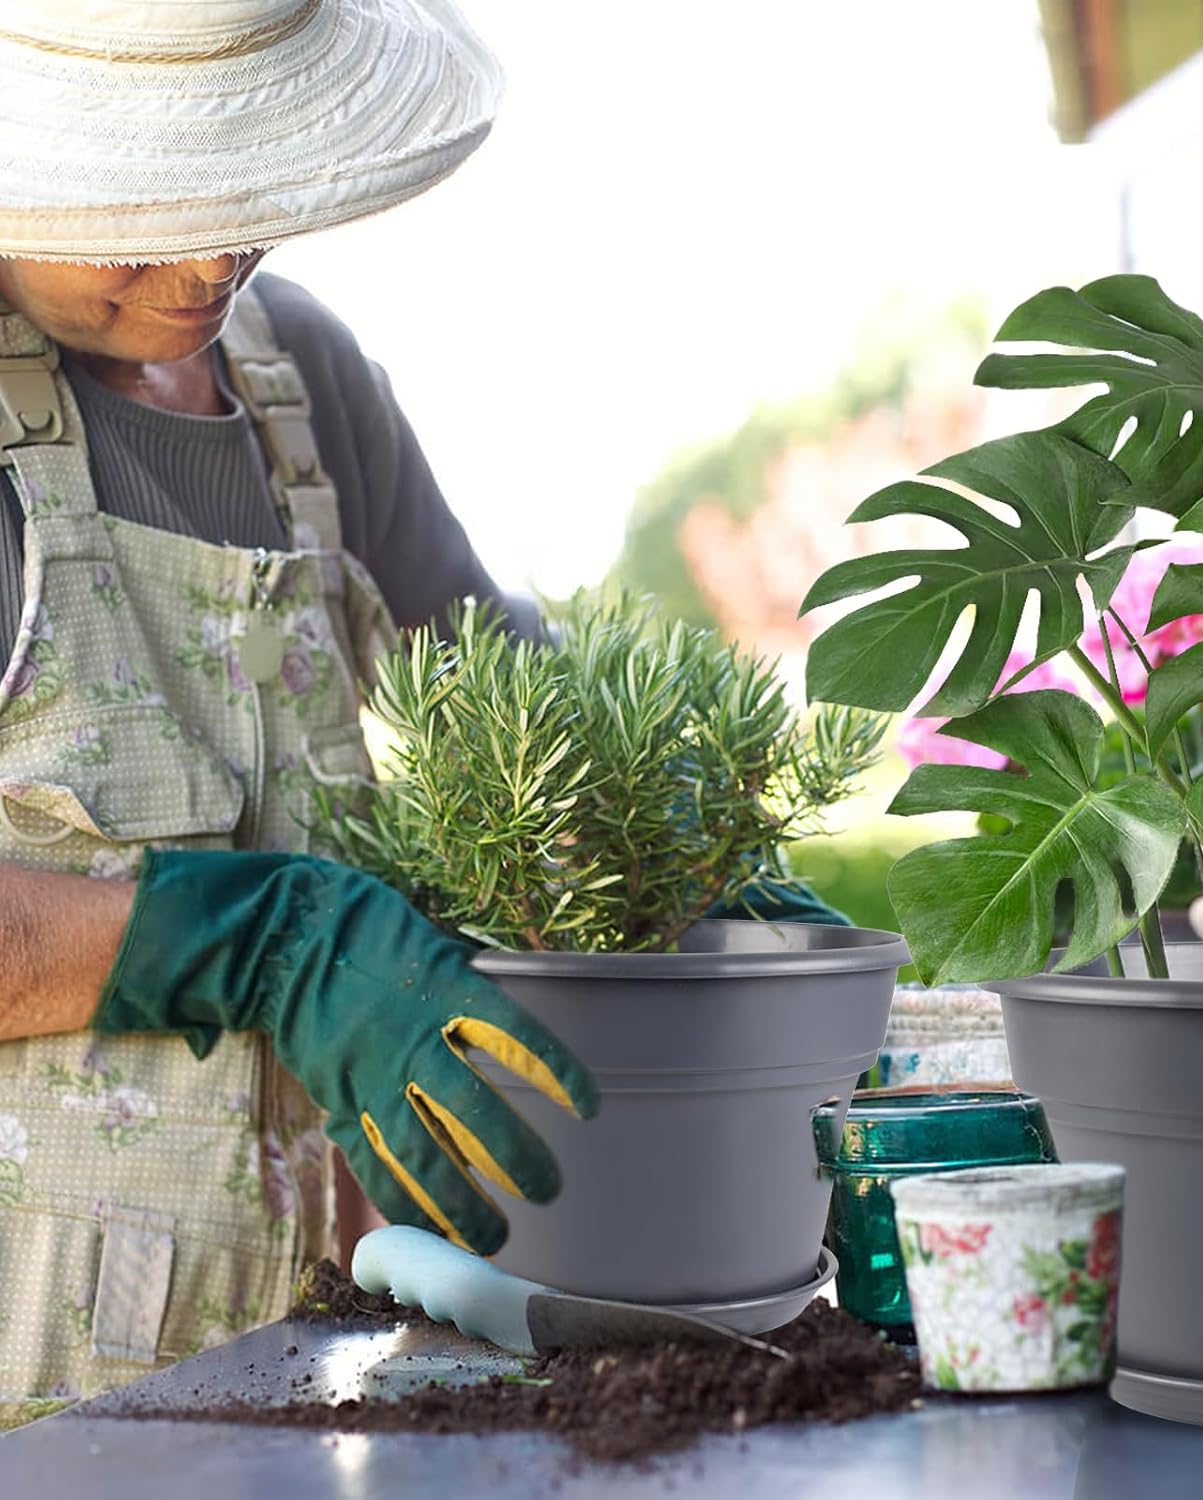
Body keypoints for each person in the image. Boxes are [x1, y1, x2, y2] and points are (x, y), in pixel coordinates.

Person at [0, 0, 842, 1429]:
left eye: (247, 194)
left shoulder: (298, 376)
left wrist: (691, 839)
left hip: (316, 1325)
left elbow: (500, 681)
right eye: (145, 219)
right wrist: (259, 936)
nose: (210, 262)